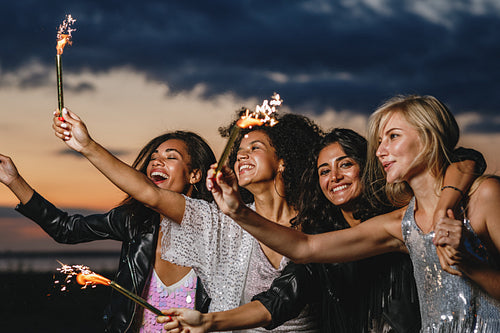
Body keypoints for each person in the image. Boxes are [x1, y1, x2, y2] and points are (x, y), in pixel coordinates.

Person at [202, 95, 500, 332]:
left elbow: (465, 159)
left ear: (429, 136)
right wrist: (237, 211)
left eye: (393, 137)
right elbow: (306, 248)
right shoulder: (400, 224)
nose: (380, 151)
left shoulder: (483, 196)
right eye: (380, 141)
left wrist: (469, 264)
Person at [52, 107, 323, 332]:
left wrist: (208, 321)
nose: (241, 154)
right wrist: (87, 146)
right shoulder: (220, 220)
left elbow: (275, 305)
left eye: (255, 147)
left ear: (283, 161)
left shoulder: (314, 229)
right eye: (239, 149)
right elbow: (151, 194)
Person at [0, 127, 216, 332]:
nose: (156, 161)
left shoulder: (216, 226)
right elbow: (66, 229)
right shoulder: (134, 221)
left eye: (171, 157)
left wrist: (87, 145)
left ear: (195, 175)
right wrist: (14, 180)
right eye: (153, 157)